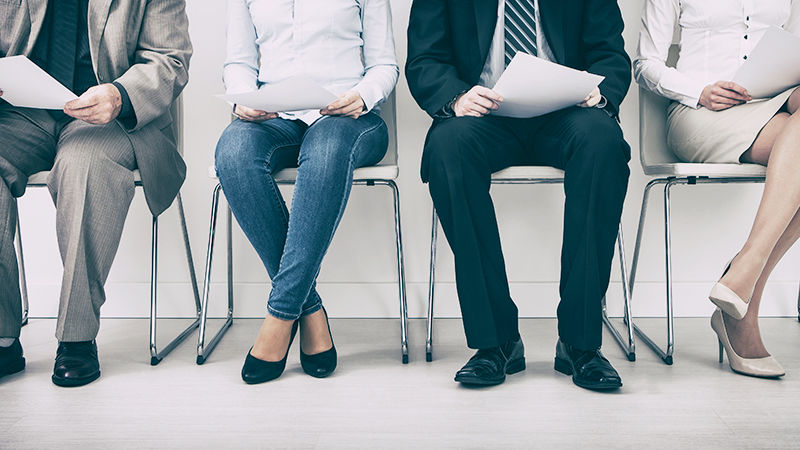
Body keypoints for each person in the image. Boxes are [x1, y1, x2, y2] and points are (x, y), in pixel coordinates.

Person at [406, 0, 632, 391]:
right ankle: (496, 342)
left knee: (604, 144)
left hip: (567, 114)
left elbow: (609, 51)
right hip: (483, 114)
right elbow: (425, 57)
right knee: (448, 149)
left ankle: (580, 342)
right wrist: (457, 98)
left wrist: (598, 91)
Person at [0, 0, 192, 387]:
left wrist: (120, 95)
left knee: (83, 164)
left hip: (110, 116)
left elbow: (170, 61)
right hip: (21, 113)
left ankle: (77, 335)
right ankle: (3, 337)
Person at [215, 0, 398, 384]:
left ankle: (280, 316)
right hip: (276, 117)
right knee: (232, 152)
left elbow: (384, 64)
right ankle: (308, 307)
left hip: (348, 117)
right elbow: (239, 62)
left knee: (326, 148)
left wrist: (363, 95)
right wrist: (243, 95)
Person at [634, 0, 800, 378]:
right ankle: (746, 292)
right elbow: (644, 65)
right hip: (701, 112)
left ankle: (743, 276)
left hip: (774, 102)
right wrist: (700, 90)